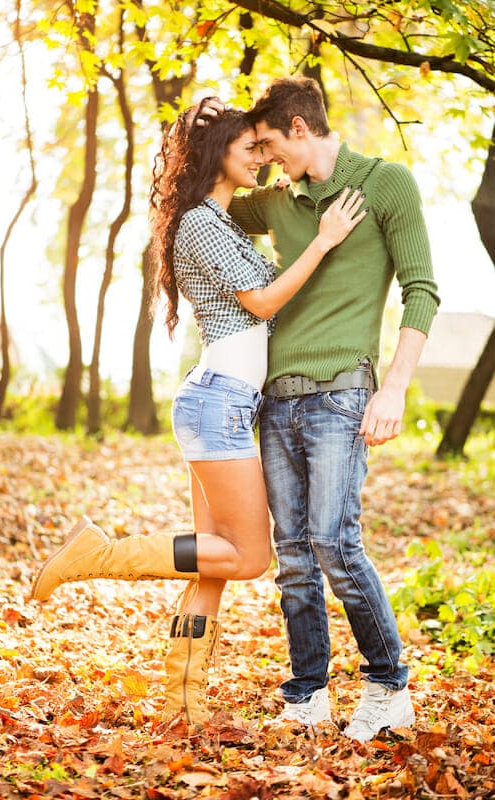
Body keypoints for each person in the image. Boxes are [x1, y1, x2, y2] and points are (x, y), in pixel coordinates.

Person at [30, 102, 366, 725]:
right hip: (221, 402)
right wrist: (324, 241)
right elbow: (263, 303)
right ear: (218, 154)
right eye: (249, 148)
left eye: (264, 150)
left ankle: (183, 701)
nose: (260, 158)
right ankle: (96, 557)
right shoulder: (200, 224)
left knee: (213, 563)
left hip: (223, 401)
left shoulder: (219, 221)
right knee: (248, 559)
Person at [196, 77, 440, 742]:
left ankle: (389, 687)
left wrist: (393, 389)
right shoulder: (276, 203)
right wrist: (211, 132)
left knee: (336, 543)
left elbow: (422, 290)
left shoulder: (387, 184)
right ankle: (307, 695)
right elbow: (203, 203)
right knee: (295, 556)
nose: (268, 158)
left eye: (271, 144)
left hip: (343, 392)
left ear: (300, 129)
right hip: (276, 402)